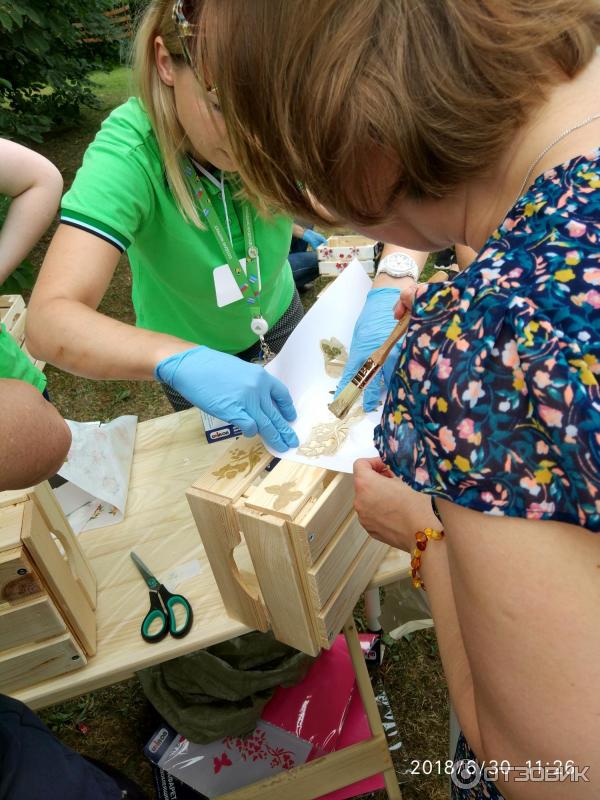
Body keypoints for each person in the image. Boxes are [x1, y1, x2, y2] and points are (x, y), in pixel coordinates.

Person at [183, 2, 600, 798]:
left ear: (348, 127)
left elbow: (555, 772)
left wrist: (423, 539)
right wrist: (483, 264)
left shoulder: (493, 337)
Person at [26, 0, 303, 453]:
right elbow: (50, 319)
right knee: (231, 468)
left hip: (279, 313)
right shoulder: (131, 151)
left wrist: (396, 273)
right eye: (222, 107)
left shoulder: (278, 125)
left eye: (271, 115)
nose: (253, 141)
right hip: (187, 350)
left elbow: (400, 192)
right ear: (165, 63)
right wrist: (175, 360)